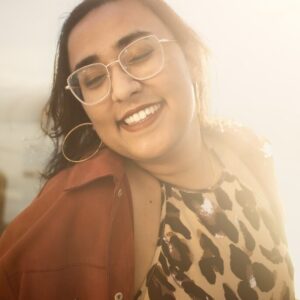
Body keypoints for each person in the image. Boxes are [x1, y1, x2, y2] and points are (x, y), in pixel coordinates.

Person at [0, 0, 295, 299]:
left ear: (190, 57)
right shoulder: (78, 207)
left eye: (140, 54)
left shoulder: (250, 151)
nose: (122, 89)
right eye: (94, 79)